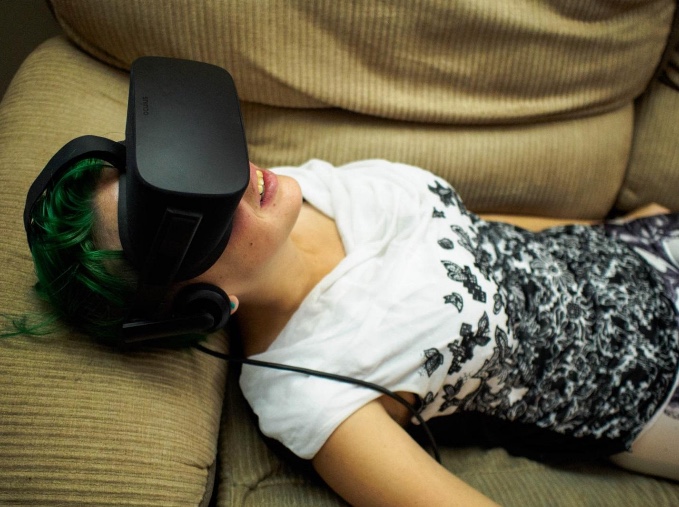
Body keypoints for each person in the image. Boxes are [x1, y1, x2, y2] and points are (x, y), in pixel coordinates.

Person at [25, 156, 679, 506]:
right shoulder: (312, 392)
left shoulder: (292, 187)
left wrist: (615, 234)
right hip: (656, 386)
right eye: (192, 215)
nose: (228, 175)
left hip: (641, 248)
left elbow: (473, 230)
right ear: (200, 304)